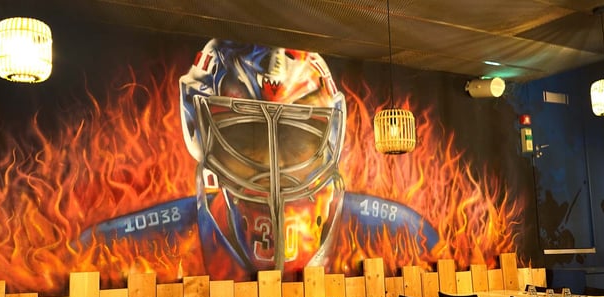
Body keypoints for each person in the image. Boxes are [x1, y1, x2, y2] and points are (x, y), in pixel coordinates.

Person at [82, 39, 437, 280]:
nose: (272, 165)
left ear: (334, 130)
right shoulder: (116, 246)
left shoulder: (407, 232)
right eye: (243, 136)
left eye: (297, 139)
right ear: (195, 123)